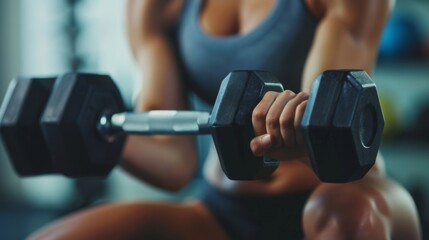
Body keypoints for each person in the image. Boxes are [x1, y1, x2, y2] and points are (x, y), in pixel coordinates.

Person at [30, 0, 421, 239]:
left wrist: (293, 132)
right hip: (222, 210)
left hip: (342, 193)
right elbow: (175, 163)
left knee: (343, 220)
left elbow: (330, 131)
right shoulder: (156, 6)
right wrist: (100, 133)